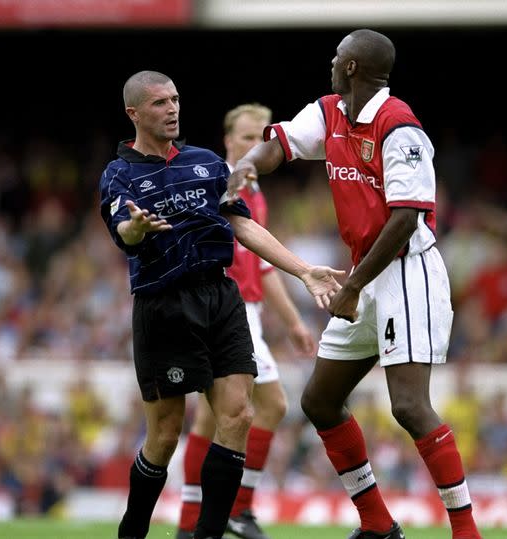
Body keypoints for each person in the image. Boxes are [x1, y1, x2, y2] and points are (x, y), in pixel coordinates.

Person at [227, 30, 483, 539]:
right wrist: (245, 170)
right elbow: (279, 145)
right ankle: (377, 524)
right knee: (320, 401)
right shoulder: (330, 112)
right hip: (364, 274)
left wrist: (350, 287)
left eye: (337, 56)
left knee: (409, 406)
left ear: (350, 67)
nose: (331, 61)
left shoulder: (399, 126)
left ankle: (466, 530)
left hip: (406, 272)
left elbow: (407, 217)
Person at [99, 70, 344, 539]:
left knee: (240, 415)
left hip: (220, 296)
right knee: (166, 434)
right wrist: (136, 230)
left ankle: (209, 534)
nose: (171, 109)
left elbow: (244, 227)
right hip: (162, 304)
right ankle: (132, 530)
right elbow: (123, 233)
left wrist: (303, 270)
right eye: (158, 104)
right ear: (133, 113)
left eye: (175, 100)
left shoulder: (206, 162)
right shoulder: (119, 174)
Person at [176, 104, 317, 539]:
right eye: (245, 137)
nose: (255, 145)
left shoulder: (255, 194)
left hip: (244, 310)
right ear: (227, 140)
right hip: (225, 311)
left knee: (207, 420)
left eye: (262, 138)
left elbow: (264, 267)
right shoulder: (218, 183)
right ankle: (239, 508)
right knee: (270, 405)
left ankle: (188, 525)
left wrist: (293, 321)